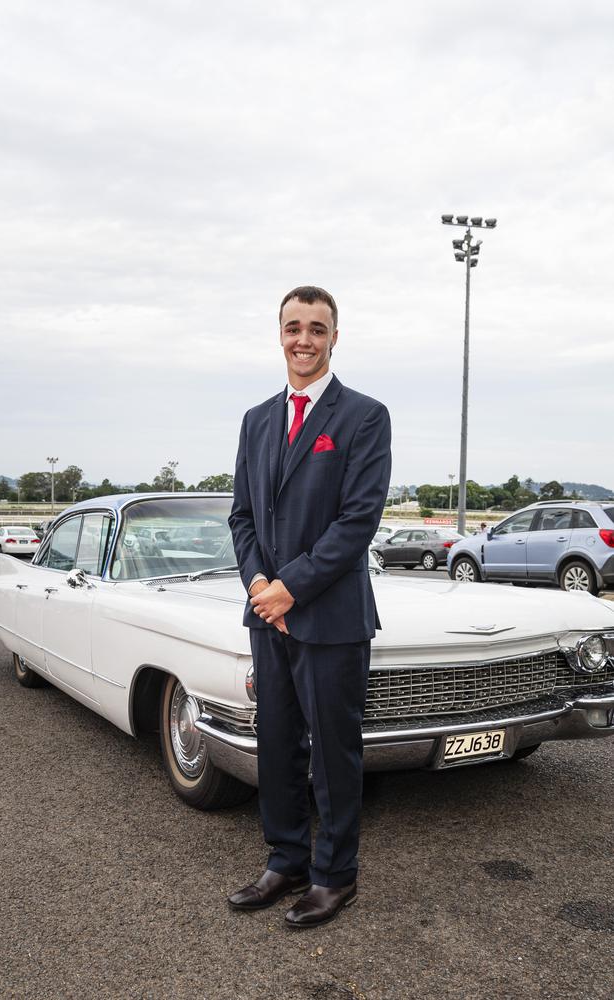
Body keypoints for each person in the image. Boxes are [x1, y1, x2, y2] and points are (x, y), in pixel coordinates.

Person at [228, 285, 391, 928]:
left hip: (329, 618)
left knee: (333, 751)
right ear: (279, 334)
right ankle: (287, 856)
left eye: (316, 329)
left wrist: (290, 586)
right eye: (293, 327)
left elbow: (358, 522)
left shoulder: (364, 416)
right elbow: (241, 515)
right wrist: (258, 585)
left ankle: (335, 873)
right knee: (277, 745)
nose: (303, 339)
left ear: (333, 337)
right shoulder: (256, 419)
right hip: (268, 614)